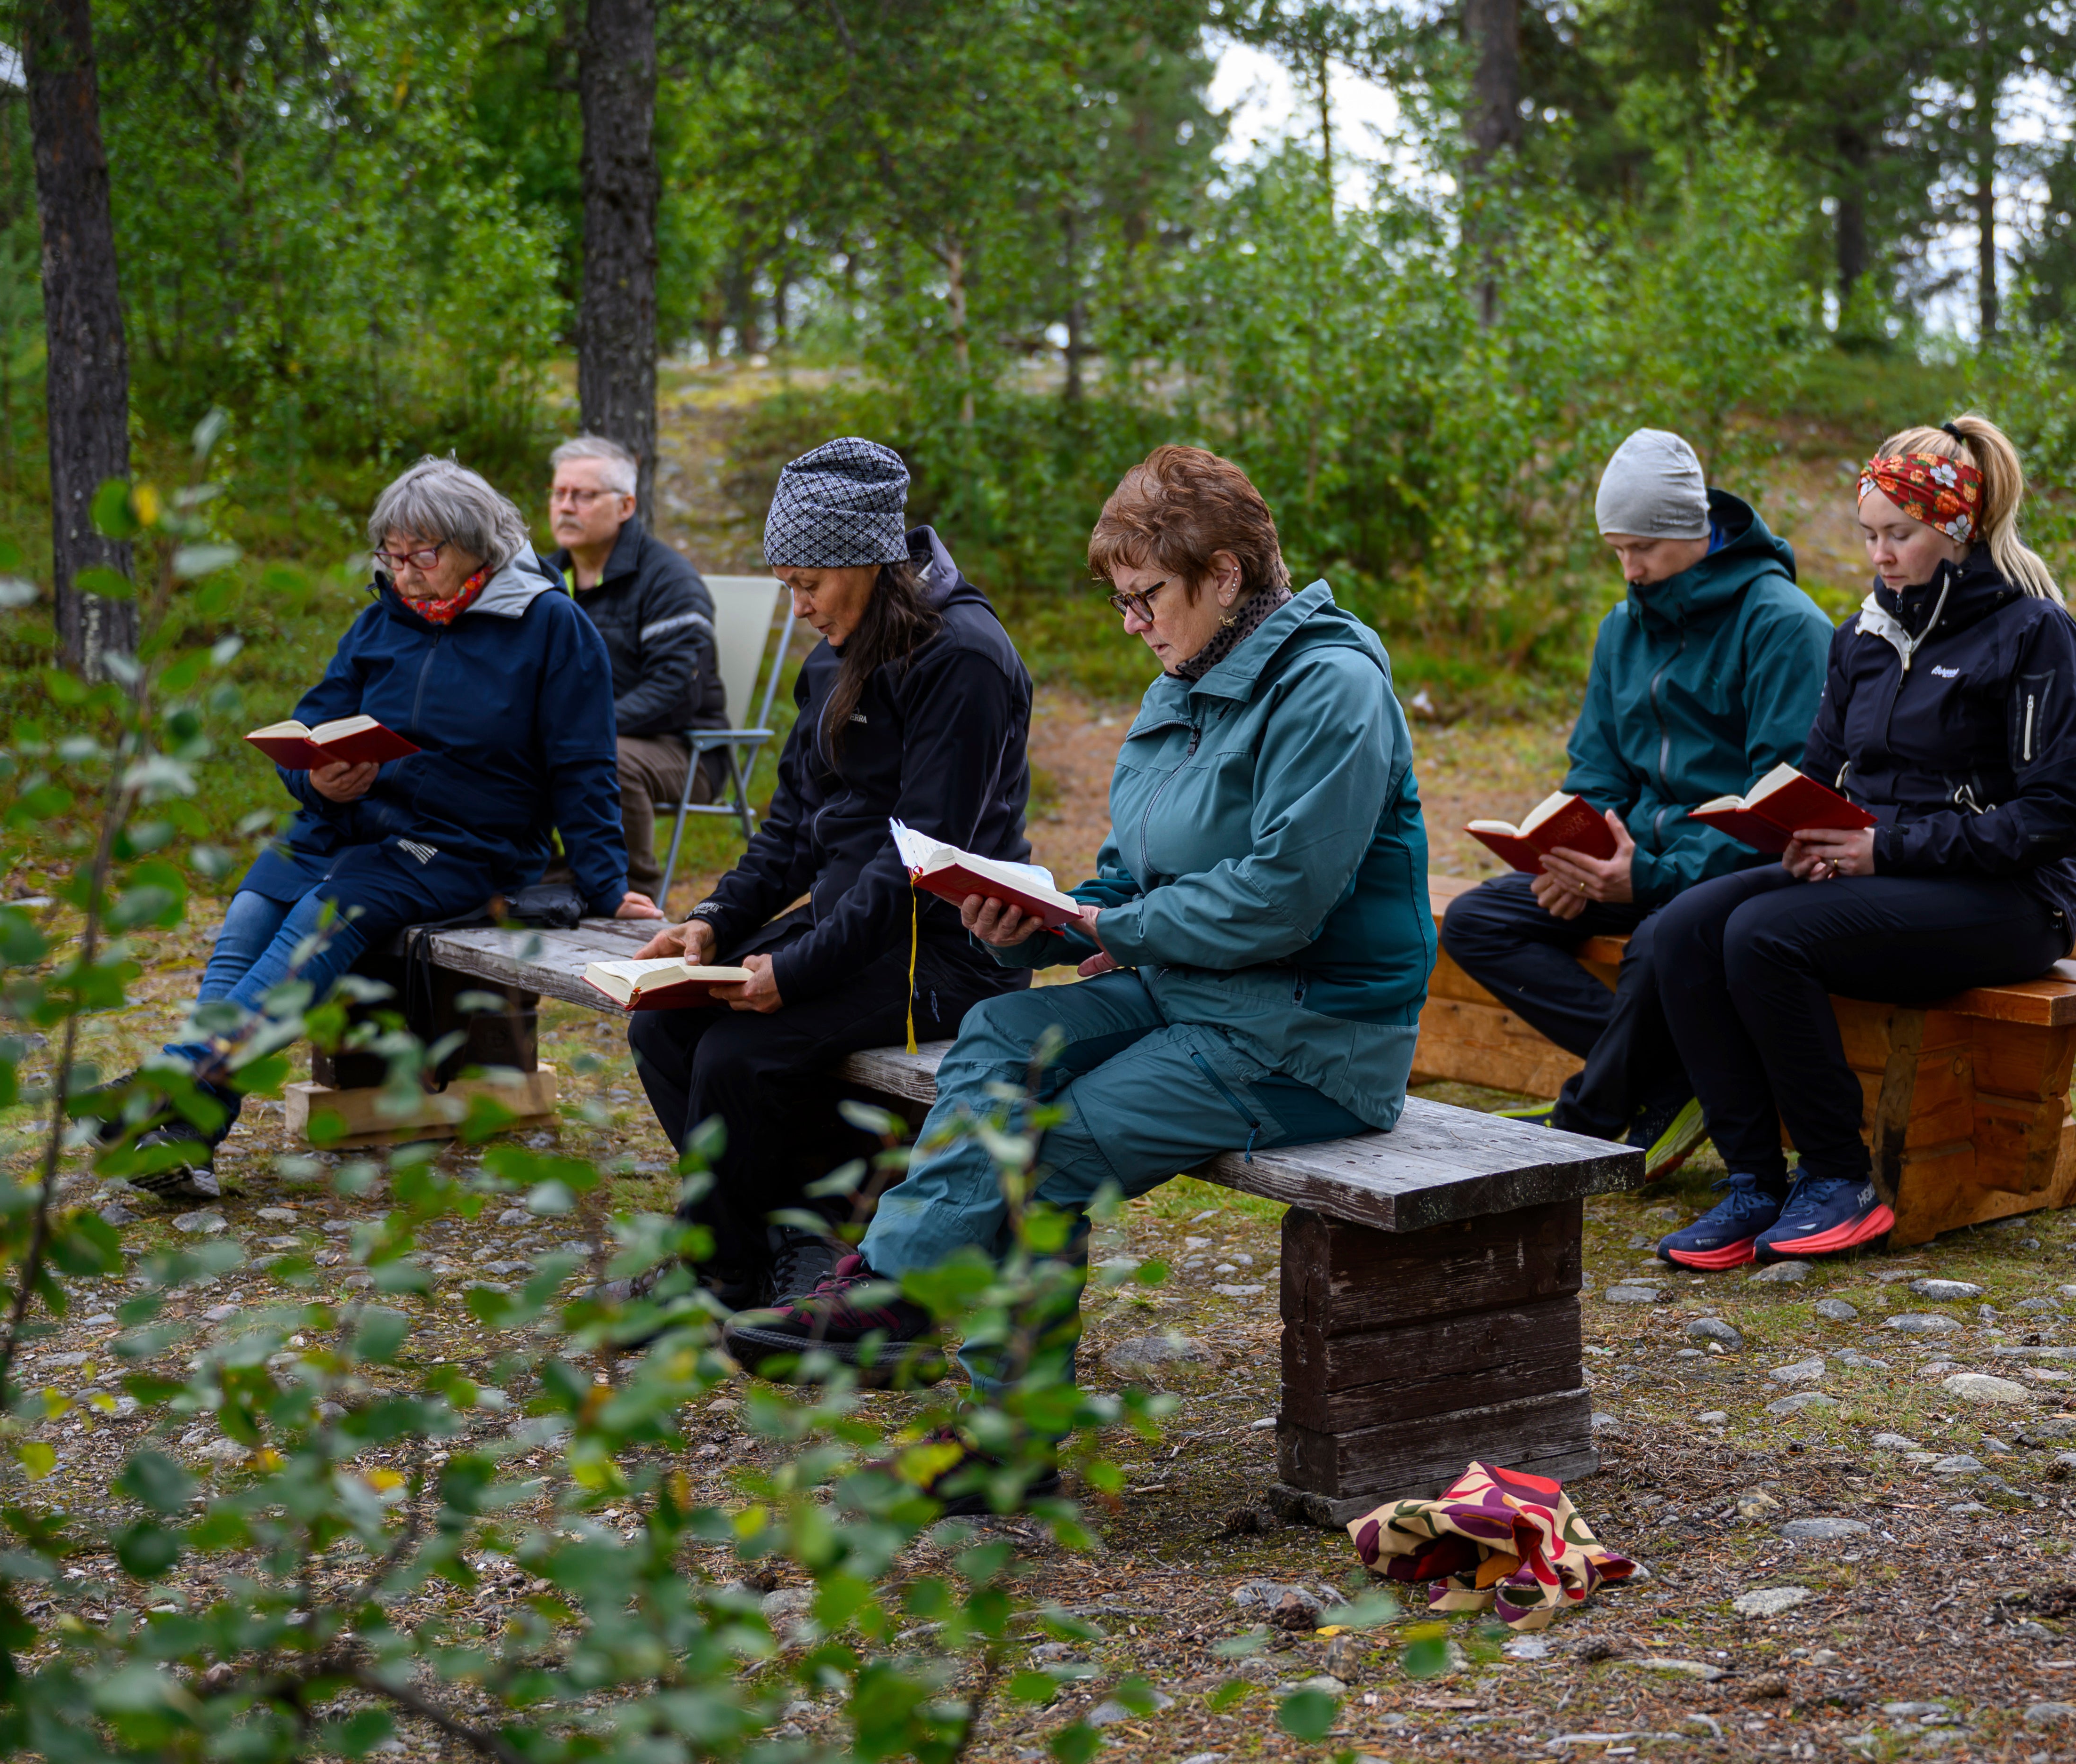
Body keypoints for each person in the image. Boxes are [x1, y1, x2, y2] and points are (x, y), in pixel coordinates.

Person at [734, 446, 1432, 1453]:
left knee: (1039, 1152)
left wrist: (1118, 928)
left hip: (1310, 1031)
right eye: (1121, 602)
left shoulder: (1330, 688)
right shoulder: (1182, 685)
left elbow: (1284, 902)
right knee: (998, 1029)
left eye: (1146, 597)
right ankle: (890, 1286)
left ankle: (1002, 1430)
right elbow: (1126, 878)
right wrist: (1039, 920)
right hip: (1193, 992)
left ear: (1225, 575)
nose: (1133, 624)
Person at [102, 457, 658, 1198]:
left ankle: (167, 1085)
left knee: (322, 919)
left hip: (461, 846)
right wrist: (316, 778)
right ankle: (188, 1131)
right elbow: (313, 719)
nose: (404, 573)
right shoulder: (382, 620)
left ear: (477, 544)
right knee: (249, 913)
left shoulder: (551, 626)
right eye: (392, 556)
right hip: (350, 826)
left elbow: (583, 768)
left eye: (421, 555)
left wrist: (606, 886)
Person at [1649, 415, 2076, 1270]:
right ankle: (1751, 1184)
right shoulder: (1859, 634)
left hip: (2013, 899)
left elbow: (2051, 815)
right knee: (1683, 927)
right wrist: (1793, 830)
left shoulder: (2034, 632)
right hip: (1889, 873)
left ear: (1957, 528)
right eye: (1868, 535)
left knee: (1764, 936)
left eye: (1899, 534)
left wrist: (1882, 850)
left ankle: (1837, 1179)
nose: (1879, 555)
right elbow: (1820, 773)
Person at [623, 438, 1036, 1312]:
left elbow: (919, 859)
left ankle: (737, 1269)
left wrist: (798, 970)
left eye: (810, 581)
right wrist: (716, 923)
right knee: (663, 1028)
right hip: (859, 922)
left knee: (741, 1053)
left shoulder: (962, 656)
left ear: (872, 560)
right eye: (787, 586)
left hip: (950, 945)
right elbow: (792, 829)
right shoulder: (833, 658)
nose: (800, 604)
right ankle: (772, 1246)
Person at [1439, 428, 1830, 1159]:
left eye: (1643, 549)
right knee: (1475, 921)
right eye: (1617, 550)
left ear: (1693, 533)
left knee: (1660, 939)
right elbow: (1596, 770)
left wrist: (1646, 878)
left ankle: (1585, 1123)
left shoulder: (1783, 626)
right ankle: (1675, 1075)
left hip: (1728, 875)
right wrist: (1568, 857)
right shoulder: (1621, 627)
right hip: (1630, 866)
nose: (1630, 569)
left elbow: (1776, 807)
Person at [542, 435, 727, 903]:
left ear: (625, 506)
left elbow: (673, 691)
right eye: (559, 493)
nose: (566, 506)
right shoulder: (541, 579)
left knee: (609, 756)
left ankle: (631, 892)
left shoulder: (670, 580)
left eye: (583, 495)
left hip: (684, 749)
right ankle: (537, 875)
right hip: (580, 736)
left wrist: (580, 731)